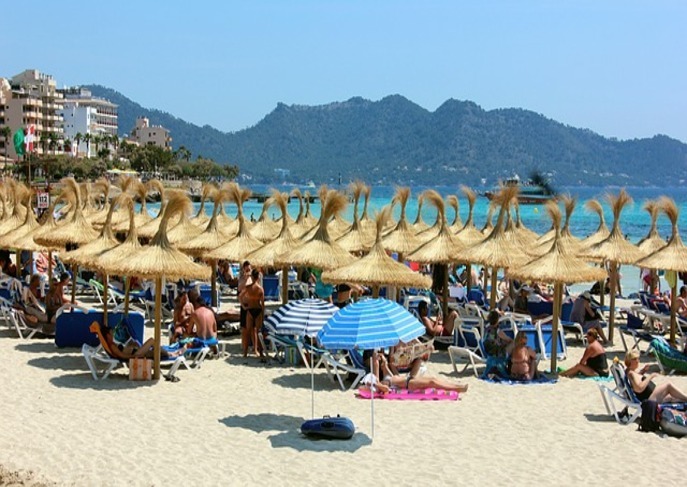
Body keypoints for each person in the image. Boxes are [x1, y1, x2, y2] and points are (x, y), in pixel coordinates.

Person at [370, 350, 468, 394]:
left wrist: (385, 363)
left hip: (410, 379)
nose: (383, 359)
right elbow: (385, 388)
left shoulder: (387, 373)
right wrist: (377, 383)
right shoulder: (384, 381)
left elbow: (389, 366)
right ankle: (457, 389)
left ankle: (456, 386)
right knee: (432, 382)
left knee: (433, 379)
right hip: (409, 384)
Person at [240, 268, 265, 358]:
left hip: (250, 310)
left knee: (247, 332)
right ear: (258, 277)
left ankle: (245, 353)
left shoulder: (248, 287)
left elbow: (240, 296)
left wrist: (243, 306)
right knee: (258, 332)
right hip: (258, 310)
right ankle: (260, 352)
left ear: (252, 277)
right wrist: (262, 314)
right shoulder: (260, 289)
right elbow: (262, 303)